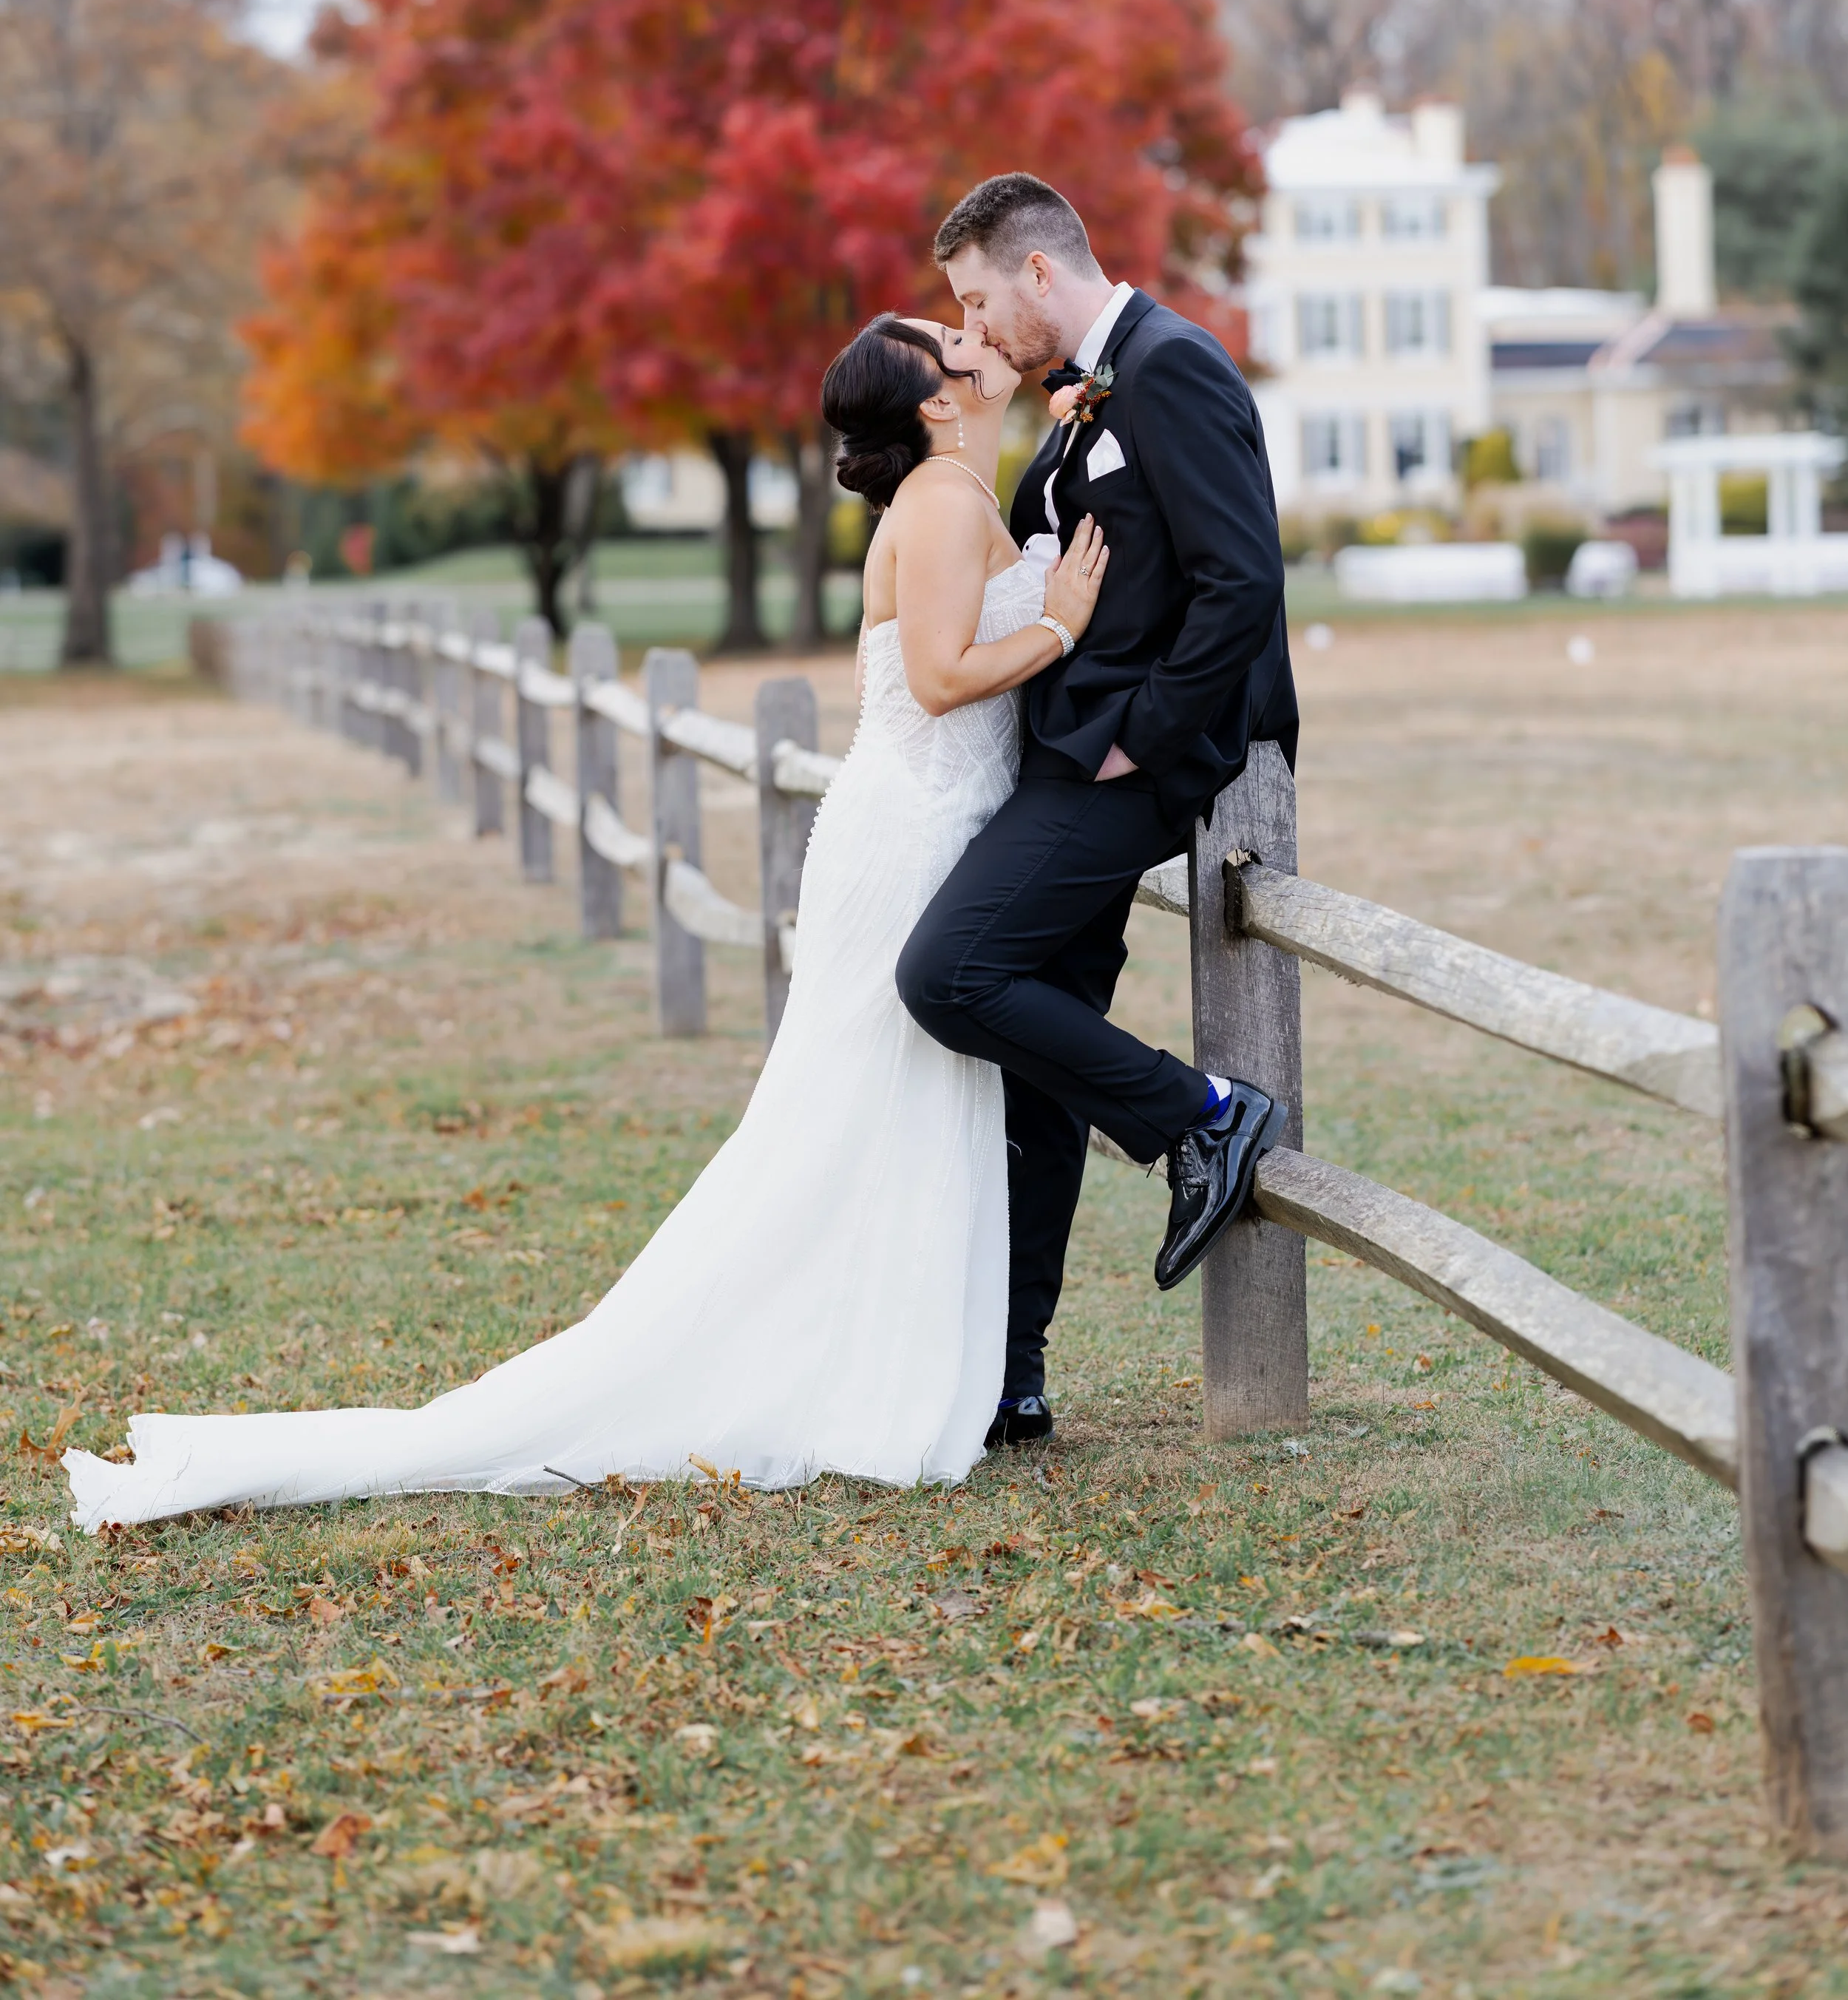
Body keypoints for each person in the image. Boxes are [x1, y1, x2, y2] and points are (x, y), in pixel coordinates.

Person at [61, 317, 1107, 1532]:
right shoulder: (934, 501)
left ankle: (896, 1358)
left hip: (933, 826)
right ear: (932, 401)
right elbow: (935, 679)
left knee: (893, 1108)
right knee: (863, 1107)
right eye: (950, 337)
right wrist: (1062, 624)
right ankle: (847, 1372)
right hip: (916, 831)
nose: (971, 333)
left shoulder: (959, 483)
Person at [896, 173, 1298, 1450]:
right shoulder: (1089, 399)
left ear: (1037, 274)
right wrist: (1057, 437)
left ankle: (1207, 1118)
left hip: (1125, 769)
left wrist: (1146, 743)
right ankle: (1014, 1378)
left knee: (946, 974)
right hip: (1062, 756)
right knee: (1039, 1058)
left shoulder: (1175, 366)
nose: (973, 326)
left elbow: (1241, 581)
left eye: (975, 299)